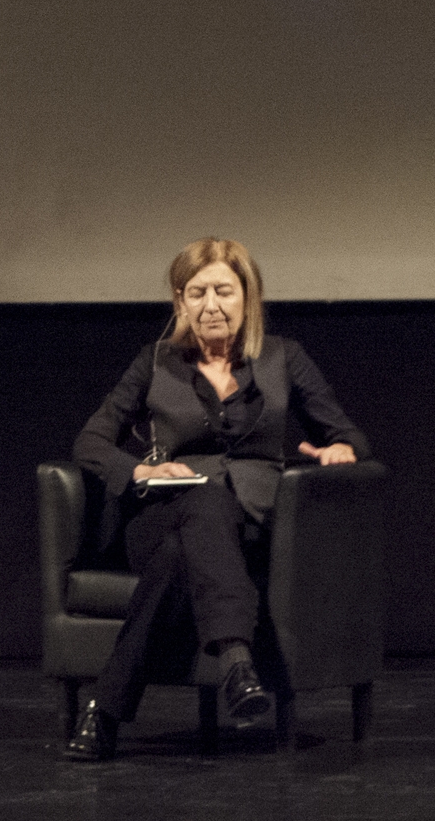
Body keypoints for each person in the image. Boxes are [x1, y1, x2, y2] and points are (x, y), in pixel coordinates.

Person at [64, 237, 370, 761]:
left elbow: (350, 436)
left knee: (182, 556)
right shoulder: (154, 362)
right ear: (180, 302)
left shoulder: (283, 358)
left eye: (224, 291)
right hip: (164, 513)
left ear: (247, 298)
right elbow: (90, 441)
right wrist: (140, 467)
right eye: (197, 292)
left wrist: (339, 450)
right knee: (200, 505)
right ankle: (236, 663)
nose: (211, 305)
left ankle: (106, 711)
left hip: (253, 524)